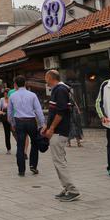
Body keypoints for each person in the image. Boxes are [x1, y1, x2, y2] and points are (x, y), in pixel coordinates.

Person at [41, 70, 80, 202]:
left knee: (59, 161)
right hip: (57, 130)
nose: (45, 81)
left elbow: (61, 111)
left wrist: (51, 128)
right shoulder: (58, 90)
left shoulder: (60, 90)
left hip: (59, 131)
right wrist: (47, 125)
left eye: (46, 78)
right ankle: (66, 187)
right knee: (59, 160)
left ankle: (72, 190)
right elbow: (53, 111)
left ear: (50, 78)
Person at [8, 76, 45, 177]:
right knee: (35, 143)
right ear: (25, 83)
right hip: (31, 121)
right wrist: (42, 124)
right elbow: (38, 110)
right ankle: (33, 165)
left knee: (20, 145)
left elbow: (10, 113)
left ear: (15, 84)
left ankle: (21, 170)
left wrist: (12, 123)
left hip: (19, 122)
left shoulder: (12, 96)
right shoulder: (32, 95)